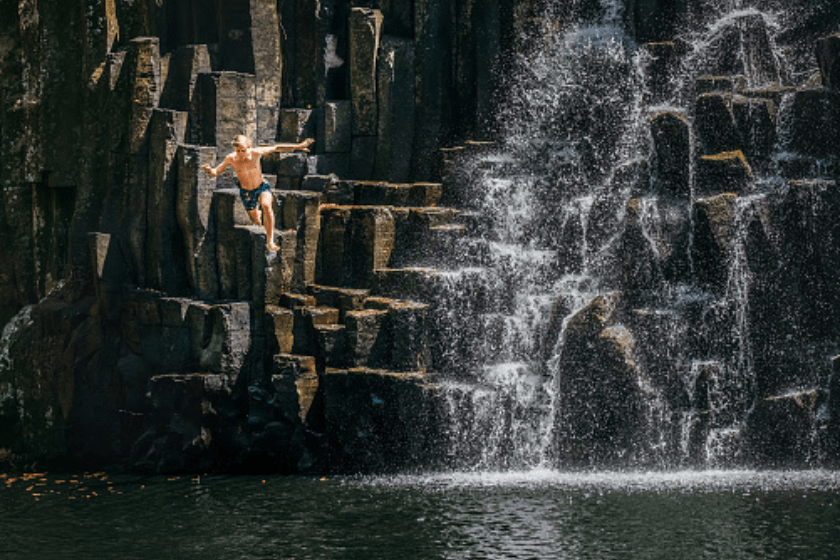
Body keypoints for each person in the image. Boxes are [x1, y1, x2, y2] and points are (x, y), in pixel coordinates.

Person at [202, 135, 315, 251]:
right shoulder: (231, 158)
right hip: (246, 192)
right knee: (256, 221)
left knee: (266, 206)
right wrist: (210, 170)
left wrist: (299, 146)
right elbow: (217, 171)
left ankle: (270, 241)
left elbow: (276, 148)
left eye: (243, 150)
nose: (240, 153)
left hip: (261, 187)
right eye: (238, 151)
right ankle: (257, 214)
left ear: (249, 147)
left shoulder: (256, 153)